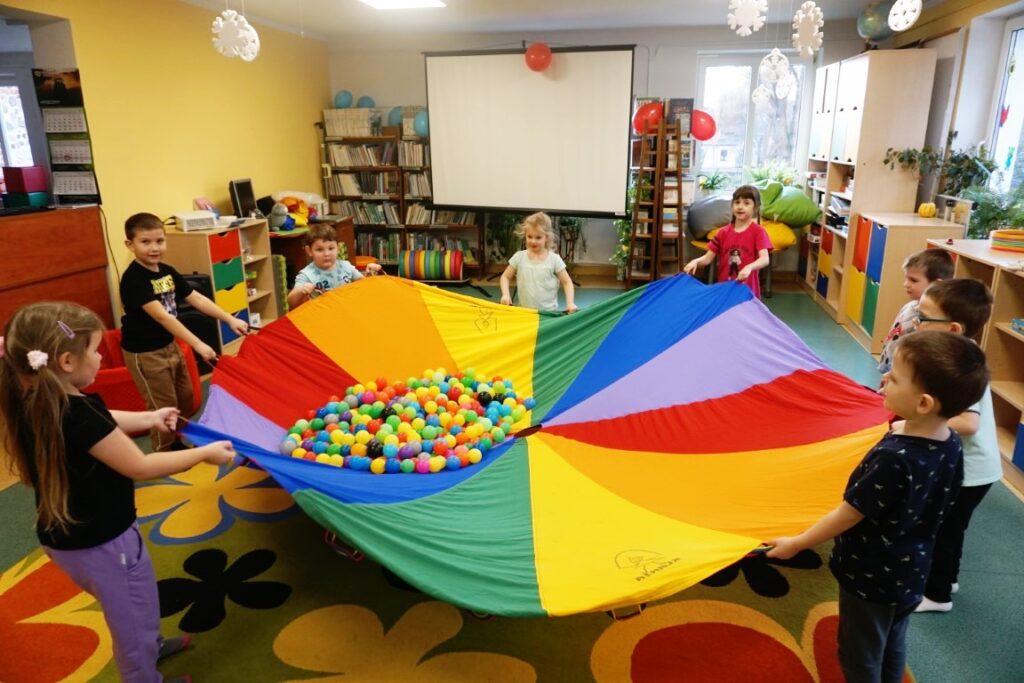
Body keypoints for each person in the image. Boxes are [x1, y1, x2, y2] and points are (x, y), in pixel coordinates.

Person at [0, 301, 237, 683]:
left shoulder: (41, 398)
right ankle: (142, 673)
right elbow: (139, 466)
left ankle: (151, 644)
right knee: (130, 616)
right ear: (66, 361)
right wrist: (202, 454)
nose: (99, 357)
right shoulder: (74, 412)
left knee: (138, 598)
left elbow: (102, 422)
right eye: (95, 350)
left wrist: (149, 417)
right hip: (101, 541)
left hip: (76, 536)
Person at [766, 331, 988, 683]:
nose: (884, 378)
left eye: (895, 378)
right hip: (912, 569)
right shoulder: (951, 444)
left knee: (860, 652)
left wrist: (797, 543)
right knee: (893, 639)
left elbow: (847, 514)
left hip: (871, 576)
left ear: (924, 404)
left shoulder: (893, 458)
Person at [119, 212, 249, 451]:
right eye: (145, 242)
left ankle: (177, 439)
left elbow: (196, 298)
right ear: (130, 244)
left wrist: (229, 319)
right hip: (146, 353)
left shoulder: (167, 271)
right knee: (163, 405)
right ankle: (164, 450)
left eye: (159, 241)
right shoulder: (133, 279)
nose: (154, 248)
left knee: (186, 397)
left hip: (169, 345)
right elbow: (162, 316)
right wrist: (198, 343)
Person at [908, 278, 1000, 613]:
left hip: (970, 472)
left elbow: (968, 423)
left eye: (923, 317)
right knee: (952, 528)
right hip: (969, 469)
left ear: (953, 329)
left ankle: (937, 595)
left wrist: (915, 424)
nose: (916, 322)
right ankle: (949, 579)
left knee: (942, 530)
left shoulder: (963, 365)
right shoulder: (953, 355)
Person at [683, 185, 772, 298]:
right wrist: (695, 262)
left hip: (747, 291)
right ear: (732, 205)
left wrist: (749, 267)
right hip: (725, 290)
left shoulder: (758, 232)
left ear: (756, 207)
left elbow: (764, 259)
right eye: (737, 202)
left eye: (746, 203)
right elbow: (707, 258)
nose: (740, 207)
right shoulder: (723, 233)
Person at [876, 249, 955, 375]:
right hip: (889, 368)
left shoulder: (931, 320)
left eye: (913, 280)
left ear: (936, 284)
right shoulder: (910, 306)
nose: (906, 284)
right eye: (906, 278)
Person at [287, 223, 382, 309]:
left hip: (347, 311)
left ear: (338, 248)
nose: (326, 254)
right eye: (319, 250)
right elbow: (291, 302)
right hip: (322, 315)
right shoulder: (306, 274)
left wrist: (371, 274)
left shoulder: (346, 266)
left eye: (331, 248)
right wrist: (301, 291)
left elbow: (363, 285)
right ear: (309, 251)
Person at [499, 212, 578, 313]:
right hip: (525, 312)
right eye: (529, 236)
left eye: (538, 237)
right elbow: (505, 277)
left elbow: (567, 282)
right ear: (525, 235)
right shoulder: (519, 257)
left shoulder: (554, 260)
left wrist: (570, 303)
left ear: (546, 237)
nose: (533, 241)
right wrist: (505, 295)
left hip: (549, 313)